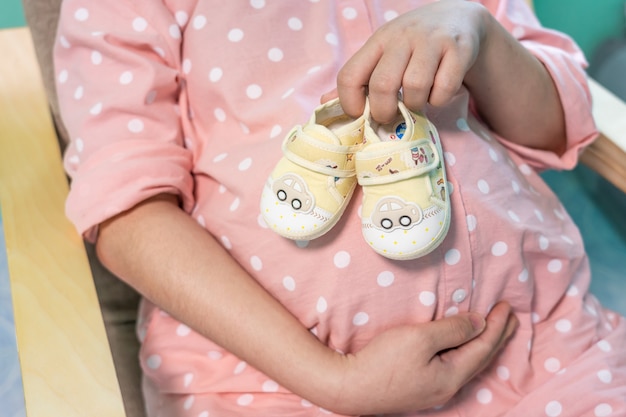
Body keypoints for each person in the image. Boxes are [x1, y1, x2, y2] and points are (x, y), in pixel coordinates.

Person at [53, 0, 626, 416]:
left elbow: (556, 126)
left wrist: (478, 31)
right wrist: (336, 381)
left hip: (540, 349)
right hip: (269, 387)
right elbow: (126, 209)